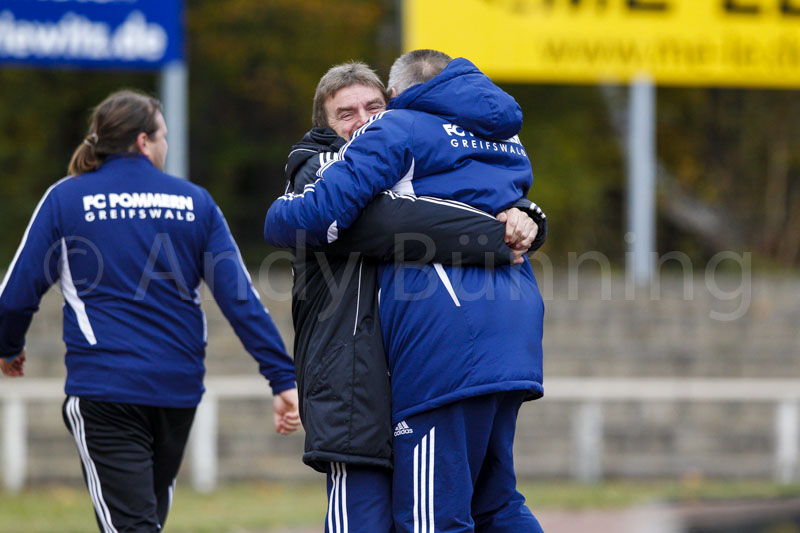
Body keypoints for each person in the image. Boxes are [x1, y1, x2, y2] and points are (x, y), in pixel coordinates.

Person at [265, 51, 544, 532]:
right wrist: (497, 232)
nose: (364, 121)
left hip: (436, 354)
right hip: (358, 384)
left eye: (373, 108)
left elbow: (398, 213)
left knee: (439, 516)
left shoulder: (401, 137)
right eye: (346, 113)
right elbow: (385, 220)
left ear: (393, 102)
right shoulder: (320, 164)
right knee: (483, 505)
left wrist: (528, 218)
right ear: (324, 125)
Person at [0, 89, 300, 533]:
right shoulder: (196, 201)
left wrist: (9, 347)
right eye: (163, 136)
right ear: (144, 141)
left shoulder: (66, 199)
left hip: (106, 391)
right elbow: (241, 299)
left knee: (133, 526)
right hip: (177, 392)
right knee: (141, 523)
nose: (165, 145)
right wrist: (282, 377)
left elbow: (15, 295)